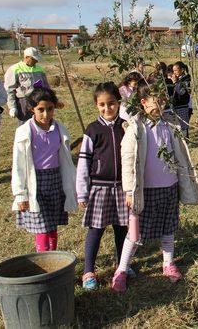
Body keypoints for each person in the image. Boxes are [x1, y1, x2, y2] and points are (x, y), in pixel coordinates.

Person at [111, 82, 198, 292]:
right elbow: (129, 161)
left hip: (168, 187)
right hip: (144, 191)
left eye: (162, 100)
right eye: (154, 101)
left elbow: (179, 155)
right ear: (143, 103)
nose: (159, 105)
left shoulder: (169, 126)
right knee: (135, 234)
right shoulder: (136, 129)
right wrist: (130, 190)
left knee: (168, 228)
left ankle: (168, 263)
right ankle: (121, 269)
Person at [76, 82, 129, 290]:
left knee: (121, 229)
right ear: (96, 105)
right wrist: (82, 192)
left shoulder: (125, 126)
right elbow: (83, 163)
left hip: (122, 188)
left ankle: (121, 265)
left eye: (112, 104)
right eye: (102, 105)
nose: (107, 109)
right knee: (96, 230)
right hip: (99, 187)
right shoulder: (92, 130)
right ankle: (88, 271)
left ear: (118, 102)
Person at [11, 87, 77, 252]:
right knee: (42, 227)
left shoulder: (60, 129)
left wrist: (71, 186)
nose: (46, 114)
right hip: (36, 183)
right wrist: (20, 193)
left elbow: (66, 160)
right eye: (41, 110)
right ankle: (43, 259)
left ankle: (53, 257)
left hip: (55, 181)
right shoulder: (24, 132)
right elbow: (18, 165)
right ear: (32, 108)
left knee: (52, 225)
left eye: (50, 109)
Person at [4, 47, 49, 125]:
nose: (36, 61)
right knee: (24, 126)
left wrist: (50, 100)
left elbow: (46, 87)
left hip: (39, 101)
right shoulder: (14, 69)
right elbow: (9, 90)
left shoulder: (40, 69)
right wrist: (12, 107)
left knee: (40, 124)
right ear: (26, 57)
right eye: (34, 59)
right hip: (24, 103)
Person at [171, 61, 191, 137]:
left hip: (182, 105)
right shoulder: (179, 79)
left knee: (183, 125)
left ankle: (185, 139)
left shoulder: (186, 80)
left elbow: (182, 92)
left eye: (176, 70)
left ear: (182, 70)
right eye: (173, 71)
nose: (174, 72)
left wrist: (175, 82)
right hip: (177, 105)